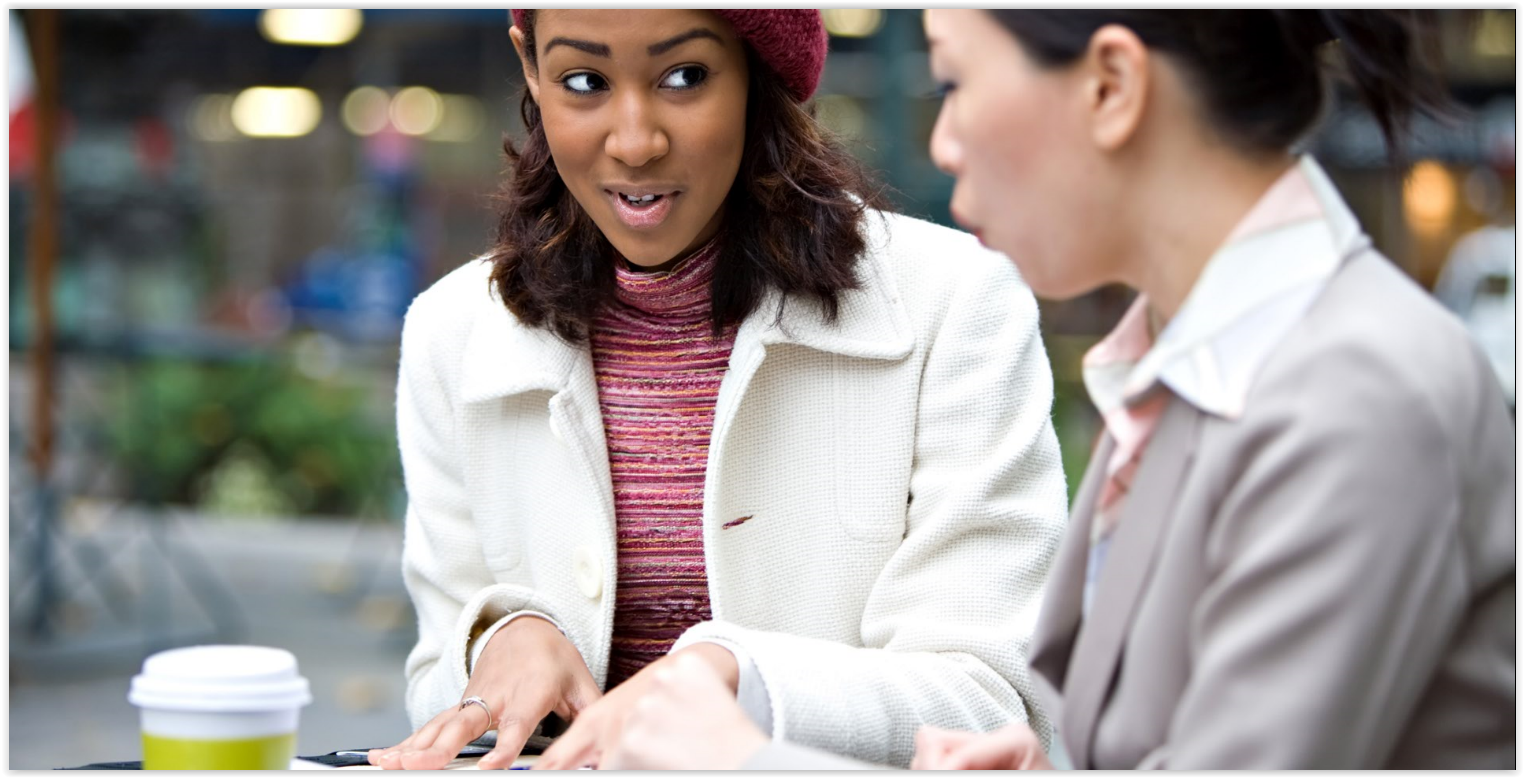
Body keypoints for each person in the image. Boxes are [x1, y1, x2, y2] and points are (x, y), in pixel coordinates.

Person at [607, 9, 1515, 770]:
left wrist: (741, 759)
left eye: (955, 82)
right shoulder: (1190, 377)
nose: (942, 143)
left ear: (1111, 86)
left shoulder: (1355, 399)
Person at [367, 9, 1070, 771]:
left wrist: (739, 679)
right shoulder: (453, 333)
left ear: (755, 70)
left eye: (685, 76)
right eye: (584, 81)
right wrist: (499, 640)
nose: (635, 141)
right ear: (531, 69)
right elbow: (435, 687)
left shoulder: (955, 306)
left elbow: (999, 700)